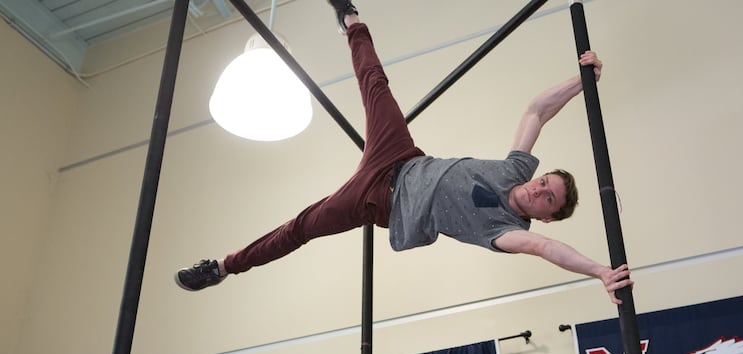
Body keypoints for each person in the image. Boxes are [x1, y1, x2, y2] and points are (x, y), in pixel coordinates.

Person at [175, 0, 633, 304]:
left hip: (379, 202)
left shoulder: (506, 230)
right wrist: (582, 80)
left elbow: (544, 247)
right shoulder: (516, 168)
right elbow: (536, 111)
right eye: (544, 182)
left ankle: (222, 266)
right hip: (399, 155)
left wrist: (598, 271)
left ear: (547, 214)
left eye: (547, 198)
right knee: (375, 83)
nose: (538, 189)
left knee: (300, 227)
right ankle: (350, 18)